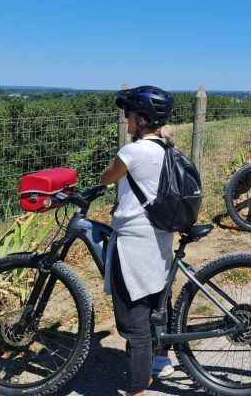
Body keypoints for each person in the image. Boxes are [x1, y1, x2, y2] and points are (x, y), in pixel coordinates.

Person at [100, 86, 177, 396]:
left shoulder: (132, 151)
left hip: (133, 242)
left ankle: (135, 390)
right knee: (158, 299)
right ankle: (161, 359)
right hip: (159, 237)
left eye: (129, 113)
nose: (126, 118)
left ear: (143, 119)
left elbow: (107, 177)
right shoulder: (167, 148)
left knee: (135, 320)